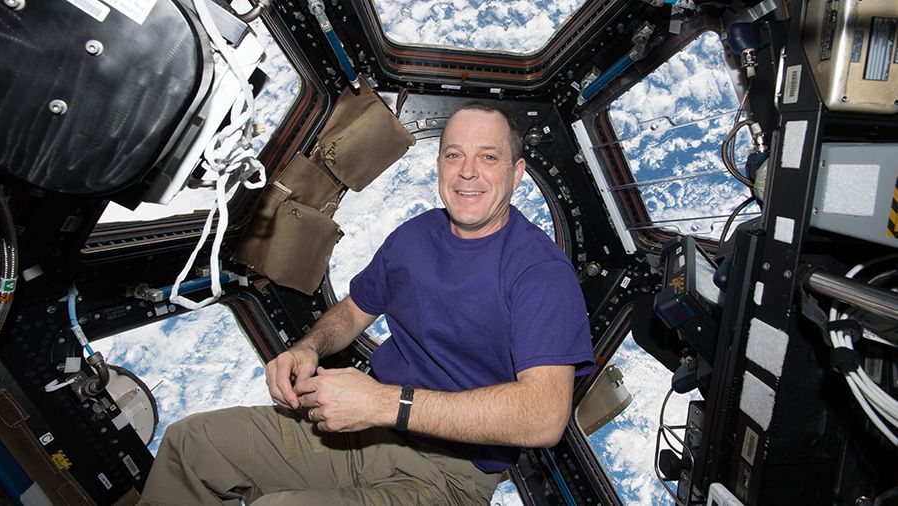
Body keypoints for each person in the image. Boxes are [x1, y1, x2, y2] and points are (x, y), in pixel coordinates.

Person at [138, 102, 595, 505]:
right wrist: (309, 347)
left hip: (451, 474)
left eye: (488, 157)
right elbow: (356, 309)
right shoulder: (415, 236)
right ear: (439, 164)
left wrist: (383, 403)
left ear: (517, 172)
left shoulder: (541, 274)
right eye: (454, 154)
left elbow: (543, 417)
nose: (467, 172)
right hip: (366, 431)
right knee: (192, 445)